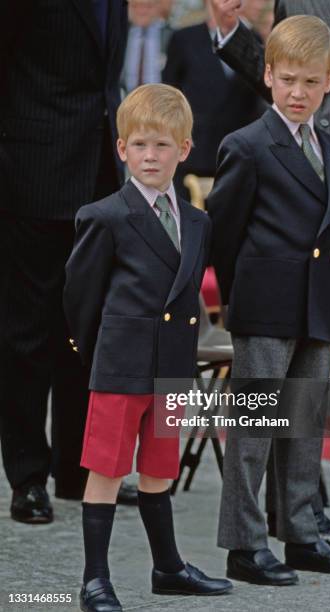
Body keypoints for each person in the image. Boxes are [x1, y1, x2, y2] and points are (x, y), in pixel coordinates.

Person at [210, 0, 330, 536]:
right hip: (295, 182)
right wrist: (231, 31)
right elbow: (281, 69)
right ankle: (297, 510)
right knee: (287, 357)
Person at [64, 84, 233, 612]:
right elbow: (80, 295)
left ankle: (169, 568)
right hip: (120, 363)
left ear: (184, 149)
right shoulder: (105, 215)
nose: (150, 156)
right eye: (139, 145)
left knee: (160, 468)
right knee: (108, 471)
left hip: (172, 366)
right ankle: (95, 581)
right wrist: (97, 353)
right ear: (121, 149)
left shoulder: (199, 222)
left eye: (162, 145)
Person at [207, 16, 330, 585]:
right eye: (288, 79)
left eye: (311, 82)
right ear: (268, 75)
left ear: (329, 83)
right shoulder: (246, 146)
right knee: (253, 433)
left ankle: (300, 534)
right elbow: (223, 232)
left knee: (302, 427)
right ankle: (244, 547)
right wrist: (241, 300)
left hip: (316, 308)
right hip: (264, 309)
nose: (298, 93)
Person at [0, 0, 138, 525]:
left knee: (85, 328)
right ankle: (27, 477)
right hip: (30, 174)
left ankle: (78, 471)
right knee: (26, 333)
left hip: (97, 175)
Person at [162, 0, 266, 199]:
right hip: (193, 154)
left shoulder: (251, 38)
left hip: (238, 154)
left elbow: (258, 97)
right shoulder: (184, 38)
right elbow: (169, 95)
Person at [121, 0, 173, 96]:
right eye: (136, 6)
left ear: (158, 6)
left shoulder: (171, 36)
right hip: (125, 100)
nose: (142, 11)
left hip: (160, 100)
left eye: (148, 6)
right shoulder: (119, 35)